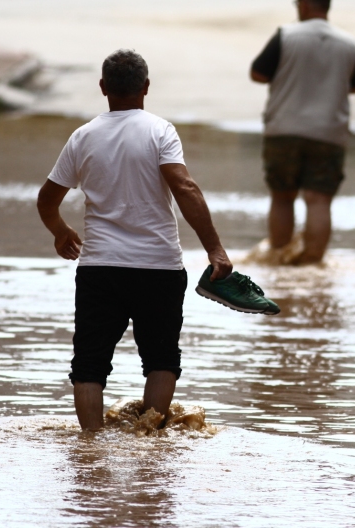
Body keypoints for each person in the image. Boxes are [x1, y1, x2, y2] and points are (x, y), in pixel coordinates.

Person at [37, 50, 244, 431]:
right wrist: (214, 248)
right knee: (162, 360)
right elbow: (184, 186)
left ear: (103, 88)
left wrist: (61, 231)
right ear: (146, 87)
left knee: (89, 365)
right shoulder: (160, 131)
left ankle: (90, 452)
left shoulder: (83, 137)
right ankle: (150, 451)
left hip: (100, 267)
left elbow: (47, 199)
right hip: (158, 267)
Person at [250, 0, 355, 265]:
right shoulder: (348, 43)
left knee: (282, 196)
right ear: (327, 6)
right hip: (328, 133)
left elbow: (258, 74)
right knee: (318, 200)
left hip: (284, 130)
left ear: (303, 3)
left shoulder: (286, 35)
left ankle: (278, 258)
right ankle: (313, 264)